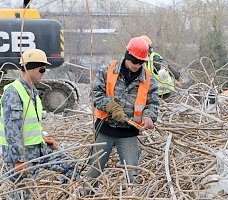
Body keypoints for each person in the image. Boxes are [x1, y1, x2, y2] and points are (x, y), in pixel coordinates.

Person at [0, 49, 78, 199]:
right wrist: (19, 160)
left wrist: (44, 137)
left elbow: (32, 124)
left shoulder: (32, 91)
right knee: (23, 194)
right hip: (22, 154)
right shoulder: (13, 93)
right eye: (41, 69)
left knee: (70, 165)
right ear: (29, 69)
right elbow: (12, 130)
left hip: (38, 148)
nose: (44, 73)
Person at [90, 37, 159, 186]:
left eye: (141, 62)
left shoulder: (148, 79)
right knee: (92, 173)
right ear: (127, 55)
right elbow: (95, 93)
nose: (137, 65)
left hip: (129, 133)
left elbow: (153, 103)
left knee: (133, 176)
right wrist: (110, 106)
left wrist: (149, 117)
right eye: (134, 61)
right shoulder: (107, 70)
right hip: (104, 130)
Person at [139, 35, 184, 99]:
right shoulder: (147, 61)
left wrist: (178, 77)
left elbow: (165, 65)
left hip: (166, 92)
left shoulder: (155, 58)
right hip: (158, 92)